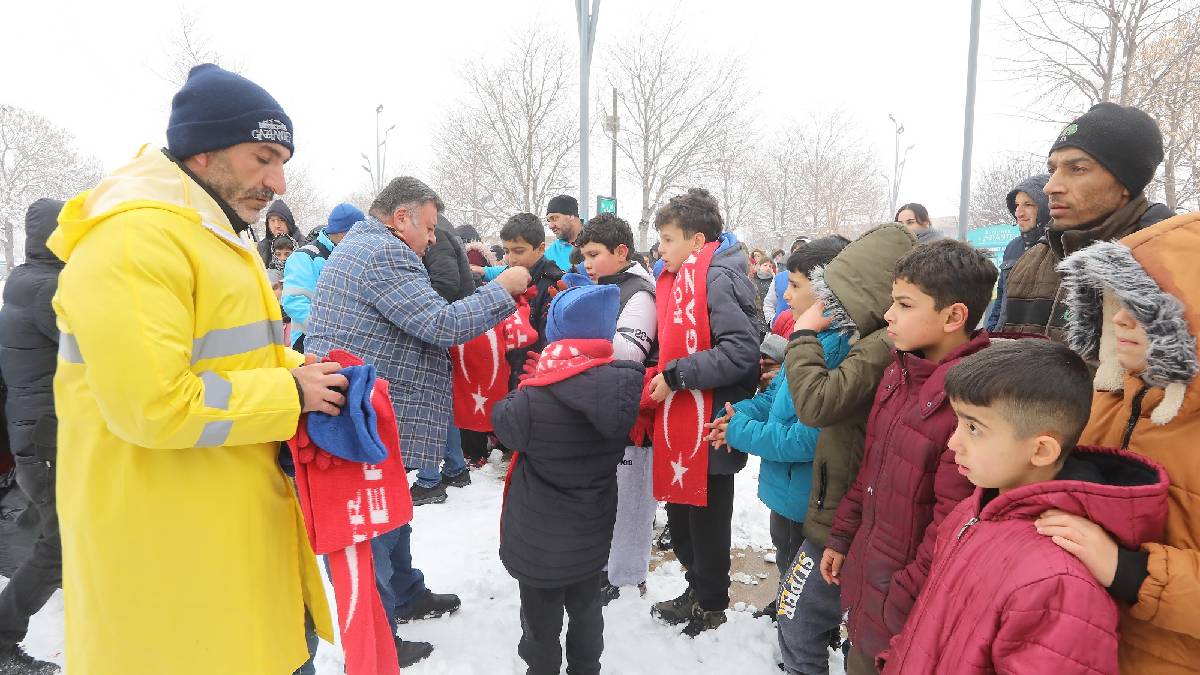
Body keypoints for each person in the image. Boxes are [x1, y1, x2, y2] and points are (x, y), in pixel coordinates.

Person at [48, 63, 345, 675]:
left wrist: (299, 365)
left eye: (282, 161)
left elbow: (223, 355)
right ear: (202, 152)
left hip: (224, 541)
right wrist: (291, 389)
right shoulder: (135, 242)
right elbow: (153, 405)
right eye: (263, 157)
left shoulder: (208, 234)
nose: (278, 181)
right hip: (174, 569)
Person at [304, 176, 531, 667]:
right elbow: (440, 324)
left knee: (393, 512)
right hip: (364, 420)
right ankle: (382, 632)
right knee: (376, 529)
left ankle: (407, 594)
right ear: (400, 216)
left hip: (369, 413)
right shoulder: (381, 253)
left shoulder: (370, 247)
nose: (433, 239)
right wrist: (503, 288)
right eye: (428, 228)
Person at [880, 341, 1169, 674]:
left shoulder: (1059, 579)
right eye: (958, 422)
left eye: (974, 427)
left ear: (1042, 450)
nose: (953, 441)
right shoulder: (973, 511)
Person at [820, 239, 997, 674]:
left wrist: (901, 597)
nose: (888, 315)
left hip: (909, 610)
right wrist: (844, 538)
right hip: (872, 586)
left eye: (903, 304)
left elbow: (953, 522)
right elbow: (870, 471)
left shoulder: (972, 402)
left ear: (954, 316)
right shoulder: (898, 372)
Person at [1052, 212, 1200, 673]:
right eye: (1115, 298)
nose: (1118, 317)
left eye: (1146, 305)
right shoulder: (1108, 395)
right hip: (1078, 639)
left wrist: (1129, 571)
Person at [776, 224, 915, 675]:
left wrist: (802, 337)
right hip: (839, 508)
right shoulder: (869, 338)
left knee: (800, 619)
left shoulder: (878, 346)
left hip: (842, 511)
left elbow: (817, 404)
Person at [492, 284, 644, 675]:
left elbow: (502, 421)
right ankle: (585, 666)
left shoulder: (532, 399)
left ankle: (541, 668)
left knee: (541, 620)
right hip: (591, 532)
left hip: (540, 539)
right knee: (587, 607)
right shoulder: (621, 388)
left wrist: (528, 384)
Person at [708, 236, 852, 615]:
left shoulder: (837, 350)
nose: (785, 295)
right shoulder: (810, 340)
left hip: (810, 495)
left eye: (796, 285)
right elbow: (776, 399)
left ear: (827, 290)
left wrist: (739, 432)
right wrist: (736, 414)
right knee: (788, 557)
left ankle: (799, 632)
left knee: (806, 575)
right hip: (788, 491)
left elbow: (809, 439)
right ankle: (785, 609)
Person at [645, 188, 761, 637]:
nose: (661, 249)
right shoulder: (679, 279)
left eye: (669, 239)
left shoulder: (717, 278)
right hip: (681, 417)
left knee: (708, 520)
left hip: (709, 420)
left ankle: (711, 602)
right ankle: (696, 587)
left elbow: (740, 352)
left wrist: (675, 376)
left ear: (696, 241)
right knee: (682, 517)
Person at [1001, 102, 1171, 341]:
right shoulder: (1030, 261)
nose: (1051, 187)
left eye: (1078, 169)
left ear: (1125, 183)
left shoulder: (1171, 262)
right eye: (1052, 170)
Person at [576, 213, 658, 603]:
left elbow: (627, 352)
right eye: (583, 255)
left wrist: (577, 344)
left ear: (621, 251)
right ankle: (609, 566)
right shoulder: (611, 285)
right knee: (611, 494)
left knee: (632, 498)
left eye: (594, 254)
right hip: (609, 407)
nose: (586, 263)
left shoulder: (639, 292)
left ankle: (626, 575)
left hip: (634, 414)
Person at [0, 199, 66, 674]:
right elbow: (98, 344)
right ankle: (4, 635)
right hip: (47, 440)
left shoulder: (24, 281)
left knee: (59, 533)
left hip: (36, 435)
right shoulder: (48, 289)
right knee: (59, 544)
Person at [414, 212, 476, 500]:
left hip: (436, 328)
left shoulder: (434, 235)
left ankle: (430, 480)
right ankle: (454, 467)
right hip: (445, 325)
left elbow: (446, 282)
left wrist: (418, 313)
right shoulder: (440, 229)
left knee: (427, 400)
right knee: (438, 399)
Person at [281, 202, 363, 352]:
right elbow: (294, 302)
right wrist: (329, 333)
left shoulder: (353, 255)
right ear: (343, 233)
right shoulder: (305, 257)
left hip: (348, 345)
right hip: (309, 343)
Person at [500, 213, 565, 391]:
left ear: (541, 248)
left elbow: (551, 339)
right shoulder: (505, 278)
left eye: (518, 251)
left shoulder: (554, 283)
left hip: (534, 377)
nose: (511, 258)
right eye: (506, 251)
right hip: (507, 373)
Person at [984, 174, 1050, 331]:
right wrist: (991, 333)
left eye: (1028, 204)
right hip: (1005, 336)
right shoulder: (1012, 247)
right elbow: (1001, 300)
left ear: (1046, 207)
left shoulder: (1060, 247)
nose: (1019, 213)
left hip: (1037, 343)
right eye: (1016, 205)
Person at [257, 198, 303, 268]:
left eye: (281, 220)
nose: (277, 225)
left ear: (289, 222)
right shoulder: (262, 248)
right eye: (272, 221)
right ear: (268, 224)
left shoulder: (304, 245)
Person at [545, 194, 583, 271]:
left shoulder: (598, 240)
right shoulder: (549, 255)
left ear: (571, 215)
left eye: (554, 218)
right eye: (549, 221)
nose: (550, 226)